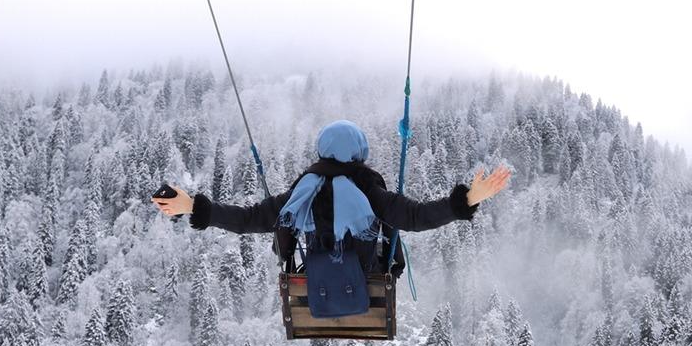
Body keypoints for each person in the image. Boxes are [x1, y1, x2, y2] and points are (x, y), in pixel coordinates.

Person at [152, 120, 511, 277]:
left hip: (315, 278)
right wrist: (466, 199)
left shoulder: (304, 190)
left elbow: (250, 220)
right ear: (359, 152)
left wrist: (193, 207)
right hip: (368, 275)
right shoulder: (368, 189)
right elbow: (415, 218)